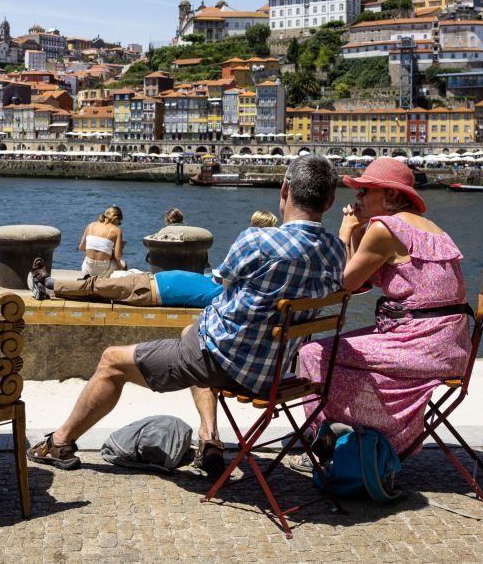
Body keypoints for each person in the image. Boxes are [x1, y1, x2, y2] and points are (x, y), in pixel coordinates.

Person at [27, 155, 346, 475]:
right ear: (330, 201)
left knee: (112, 359)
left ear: (285, 189)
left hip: (223, 362)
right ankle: (209, 438)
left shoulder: (259, 240)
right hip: (272, 373)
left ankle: (60, 442)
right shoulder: (335, 251)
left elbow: (222, 280)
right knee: (193, 331)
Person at [298, 157, 472, 457]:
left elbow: (346, 284)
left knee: (313, 353)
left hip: (420, 344)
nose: (358, 197)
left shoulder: (385, 228)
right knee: (336, 352)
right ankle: (344, 434)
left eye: (366, 190)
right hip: (450, 346)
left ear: (391, 196)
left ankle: (324, 439)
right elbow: (363, 281)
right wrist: (356, 233)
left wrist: (344, 232)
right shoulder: (429, 228)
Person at [45, 269, 222, 308]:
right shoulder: (215, 281)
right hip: (146, 281)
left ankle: (49, 283)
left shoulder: (220, 293)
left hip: (147, 289)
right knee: (98, 289)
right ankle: (54, 290)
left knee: (97, 285)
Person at [78, 205, 125, 277]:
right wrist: (120, 248)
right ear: (116, 218)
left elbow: (81, 247)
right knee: (123, 264)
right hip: (103, 271)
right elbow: (118, 256)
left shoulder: (90, 225)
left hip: (86, 269)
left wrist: (102, 248)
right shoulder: (117, 230)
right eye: (119, 223)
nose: (118, 225)